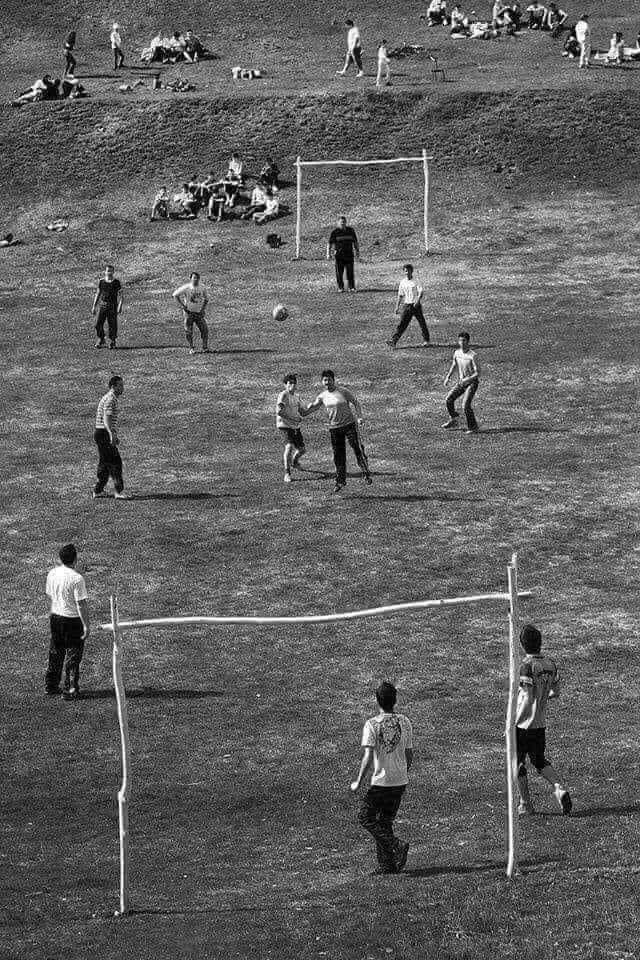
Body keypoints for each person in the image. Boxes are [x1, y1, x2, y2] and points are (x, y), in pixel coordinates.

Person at [350, 682, 413, 875]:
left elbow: (368, 757)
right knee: (385, 822)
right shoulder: (405, 722)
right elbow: (409, 753)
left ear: (377, 700)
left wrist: (358, 781)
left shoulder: (372, 724)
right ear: (395, 700)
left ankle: (396, 845)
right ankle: (387, 865)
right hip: (400, 780)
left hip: (381, 782)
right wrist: (403, 771)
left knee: (366, 817)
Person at [515, 624, 572, 817]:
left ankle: (525, 804)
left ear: (523, 645)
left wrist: (513, 722)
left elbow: (528, 698)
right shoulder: (551, 664)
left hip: (523, 725)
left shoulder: (526, 666)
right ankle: (559, 788)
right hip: (540, 724)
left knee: (517, 763)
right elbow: (556, 692)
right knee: (539, 761)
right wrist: (542, 695)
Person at [303, 369, 371, 493]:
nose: (327, 382)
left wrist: (360, 417)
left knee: (357, 448)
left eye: (329, 379)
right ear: (322, 381)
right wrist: (303, 413)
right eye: (325, 380)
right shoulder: (322, 396)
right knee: (338, 455)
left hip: (349, 425)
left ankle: (366, 472)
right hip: (334, 428)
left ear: (334, 380)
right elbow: (314, 406)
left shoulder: (343, 391)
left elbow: (355, 402)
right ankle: (340, 481)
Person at [45, 543, 90, 699]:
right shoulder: (77, 579)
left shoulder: (52, 574)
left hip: (56, 617)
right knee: (73, 655)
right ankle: (70, 690)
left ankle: (51, 685)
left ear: (60, 558)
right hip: (72, 621)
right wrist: (86, 625)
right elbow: (81, 604)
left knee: (55, 652)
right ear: (75, 559)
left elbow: (50, 596)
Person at [93, 375, 126, 499]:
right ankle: (118, 491)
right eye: (120, 385)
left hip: (101, 433)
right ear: (113, 386)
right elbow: (107, 419)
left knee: (105, 462)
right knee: (115, 462)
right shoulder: (110, 399)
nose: (123, 388)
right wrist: (111, 434)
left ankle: (98, 490)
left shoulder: (110, 398)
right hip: (104, 433)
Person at [443, 331, 480, 433]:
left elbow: (478, 373)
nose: (462, 343)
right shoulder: (457, 353)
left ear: (468, 342)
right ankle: (454, 419)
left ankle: (473, 427)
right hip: (461, 382)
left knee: (465, 405)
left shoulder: (473, 356)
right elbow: (454, 365)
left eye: (464, 340)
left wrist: (468, 379)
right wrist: (448, 377)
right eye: (460, 340)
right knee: (449, 399)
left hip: (472, 383)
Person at [387, 264, 430, 349]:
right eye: (406, 271)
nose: (407, 273)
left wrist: (417, 301)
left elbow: (421, 292)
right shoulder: (403, 282)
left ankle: (426, 340)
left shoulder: (416, 281)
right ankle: (394, 341)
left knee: (422, 323)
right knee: (402, 324)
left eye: (409, 271)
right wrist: (397, 307)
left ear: (412, 271)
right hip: (407, 306)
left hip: (416, 305)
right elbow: (400, 295)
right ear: (404, 272)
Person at [276, 373, 307, 483]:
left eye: (294, 383)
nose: (292, 385)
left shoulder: (297, 397)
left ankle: (294, 462)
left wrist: (316, 405)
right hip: (285, 426)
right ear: (285, 384)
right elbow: (279, 411)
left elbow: (303, 412)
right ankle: (287, 473)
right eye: (290, 383)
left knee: (302, 450)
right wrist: (293, 418)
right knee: (289, 447)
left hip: (295, 427)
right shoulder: (283, 395)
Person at [173, 271, 210, 354]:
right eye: (194, 278)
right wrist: (182, 306)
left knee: (204, 329)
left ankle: (205, 347)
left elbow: (206, 299)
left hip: (198, 313)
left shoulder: (202, 287)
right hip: (189, 313)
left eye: (197, 278)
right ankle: (191, 348)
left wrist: (203, 309)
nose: (196, 280)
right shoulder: (187, 288)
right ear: (191, 279)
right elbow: (175, 295)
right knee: (188, 331)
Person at [91, 264, 123, 349]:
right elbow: (98, 294)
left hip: (112, 306)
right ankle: (101, 339)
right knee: (97, 324)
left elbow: (121, 295)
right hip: (102, 305)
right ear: (105, 272)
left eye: (111, 271)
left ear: (113, 272)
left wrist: (120, 305)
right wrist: (94, 306)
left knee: (112, 325)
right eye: (107, 271)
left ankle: (112, 341)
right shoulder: (101, 282)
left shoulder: (116, 282)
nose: (109, 273)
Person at [327, 215, 359, 292]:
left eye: (344, 222)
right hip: (339, 255)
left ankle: (351, 287)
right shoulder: (335, 232)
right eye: (341, 222)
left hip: (349, 255)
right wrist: (328, 254)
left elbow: (355, 242)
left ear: (346, 222)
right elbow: (330, 243)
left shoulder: (350, 231)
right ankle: (340, 287)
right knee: (339, 273)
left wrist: (357, 251)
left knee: (350, 272)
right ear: (338, 223)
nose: (343, 224)